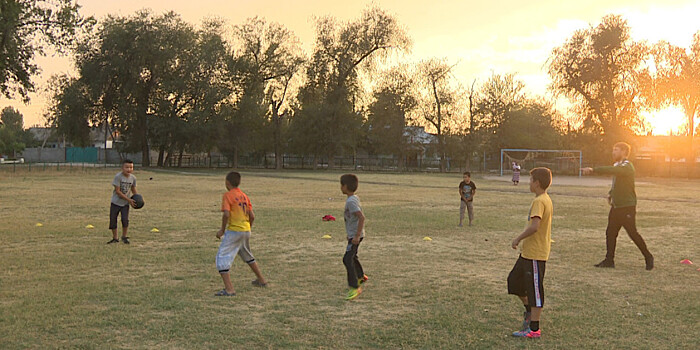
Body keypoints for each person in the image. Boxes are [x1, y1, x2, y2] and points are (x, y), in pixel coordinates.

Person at [582, 142, 654, 270]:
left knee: (632, 233)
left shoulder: (627, 166)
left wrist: (594, 170)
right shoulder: (618, 165)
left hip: (627, 207)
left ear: (624, 152)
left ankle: (648, 256)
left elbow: (613, 171)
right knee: (610, 232)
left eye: (616, 150)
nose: (613, 152)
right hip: (616, 206)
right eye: (613, 149)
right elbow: (617, 182)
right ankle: (609, 260)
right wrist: (611, 194)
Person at [508, 167, 553, 339]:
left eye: (530, 180)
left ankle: (534, 329)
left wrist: (517, 238)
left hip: (535, 253)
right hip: (527, 253)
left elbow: (535, 226)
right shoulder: (541, 199)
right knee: (514, 281)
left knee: (535, 291)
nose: (529, 183)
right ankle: (529, 314)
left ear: (537, 183)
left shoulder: (540, 201)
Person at [214, 171, 267, 296]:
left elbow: (226, 213)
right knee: (246, 254)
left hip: (234, 231)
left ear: (227, 183)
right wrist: (248, 228)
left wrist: (222, 230)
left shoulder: (228, 195)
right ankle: (261, 280)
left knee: (222, 257)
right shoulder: (244, 196)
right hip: (245, 229)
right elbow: (252, 216)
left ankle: (229, 289)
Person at [340, 174, 368, 300]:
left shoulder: (351, 201)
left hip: (356, 236)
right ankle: (361, 276)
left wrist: (356, 236)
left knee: (347, 259)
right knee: (352, 256)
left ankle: (354, 287)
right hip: (354, 235)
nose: (340, 187)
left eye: (341, 185)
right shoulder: (353, 198)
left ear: (345, 186)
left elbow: (361, 217)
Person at [108, 159, 137, 244]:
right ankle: (115, 238)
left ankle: (124, 237)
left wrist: (136, 198)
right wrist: (129, 200)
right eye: (127, 167)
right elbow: (118, 191)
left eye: (131, 167)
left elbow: (133, 189)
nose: (129, 169)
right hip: (116, 203)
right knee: (113, 220)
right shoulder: (118, 177)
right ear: (122, 168)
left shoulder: (133, 178)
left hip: (125, 204)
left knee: (125, 220)